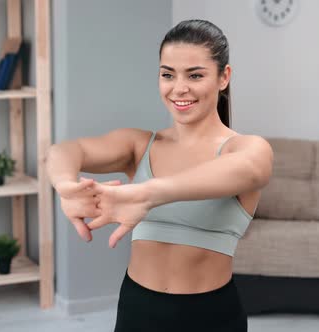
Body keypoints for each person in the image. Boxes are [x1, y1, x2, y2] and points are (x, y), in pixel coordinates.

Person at [45, 19, 273, 332]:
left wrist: (148, 193)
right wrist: (66, 186)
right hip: (137, 311)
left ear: (224, 77)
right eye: (168, 74)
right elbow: (64, 151)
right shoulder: (140, 145)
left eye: (195, 75)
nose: (179, 88)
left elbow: (250, 170)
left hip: (210, 318)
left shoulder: (247, 148)